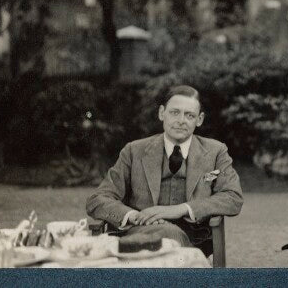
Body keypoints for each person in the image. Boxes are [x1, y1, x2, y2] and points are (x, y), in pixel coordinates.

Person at [86, 85, 243, 256]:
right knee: (164, 239)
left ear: (200, 119)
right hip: (140, 233)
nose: (181, 120)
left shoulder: (215, 151)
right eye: (175, 112)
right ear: (162, 113)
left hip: (193, 240)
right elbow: (97, 199)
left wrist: (181, 209)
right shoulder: (134, 151)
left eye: (189, 115)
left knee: (170, 236)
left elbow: (233, 197)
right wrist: (132, 216)